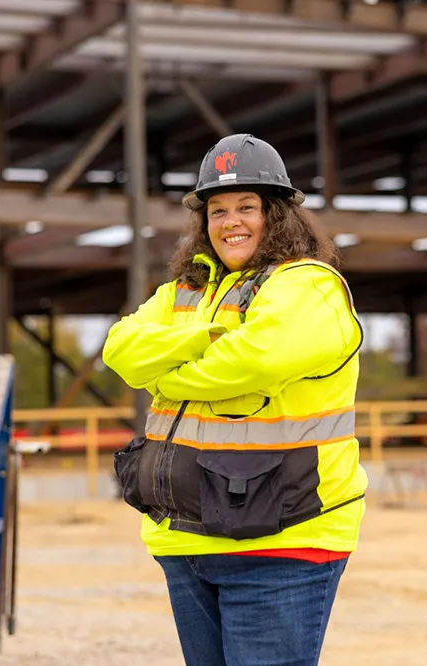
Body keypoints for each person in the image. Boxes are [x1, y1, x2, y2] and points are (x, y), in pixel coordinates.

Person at [102, 133, 367, 666]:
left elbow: (259, 360)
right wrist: (204, 338)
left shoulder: (307, 286)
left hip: (281, 538)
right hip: (188, 541)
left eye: (248, 207)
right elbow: (120, 349)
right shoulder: (188, 290)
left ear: (280, 215)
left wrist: (167, 377)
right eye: (217, 210)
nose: (231, 222)